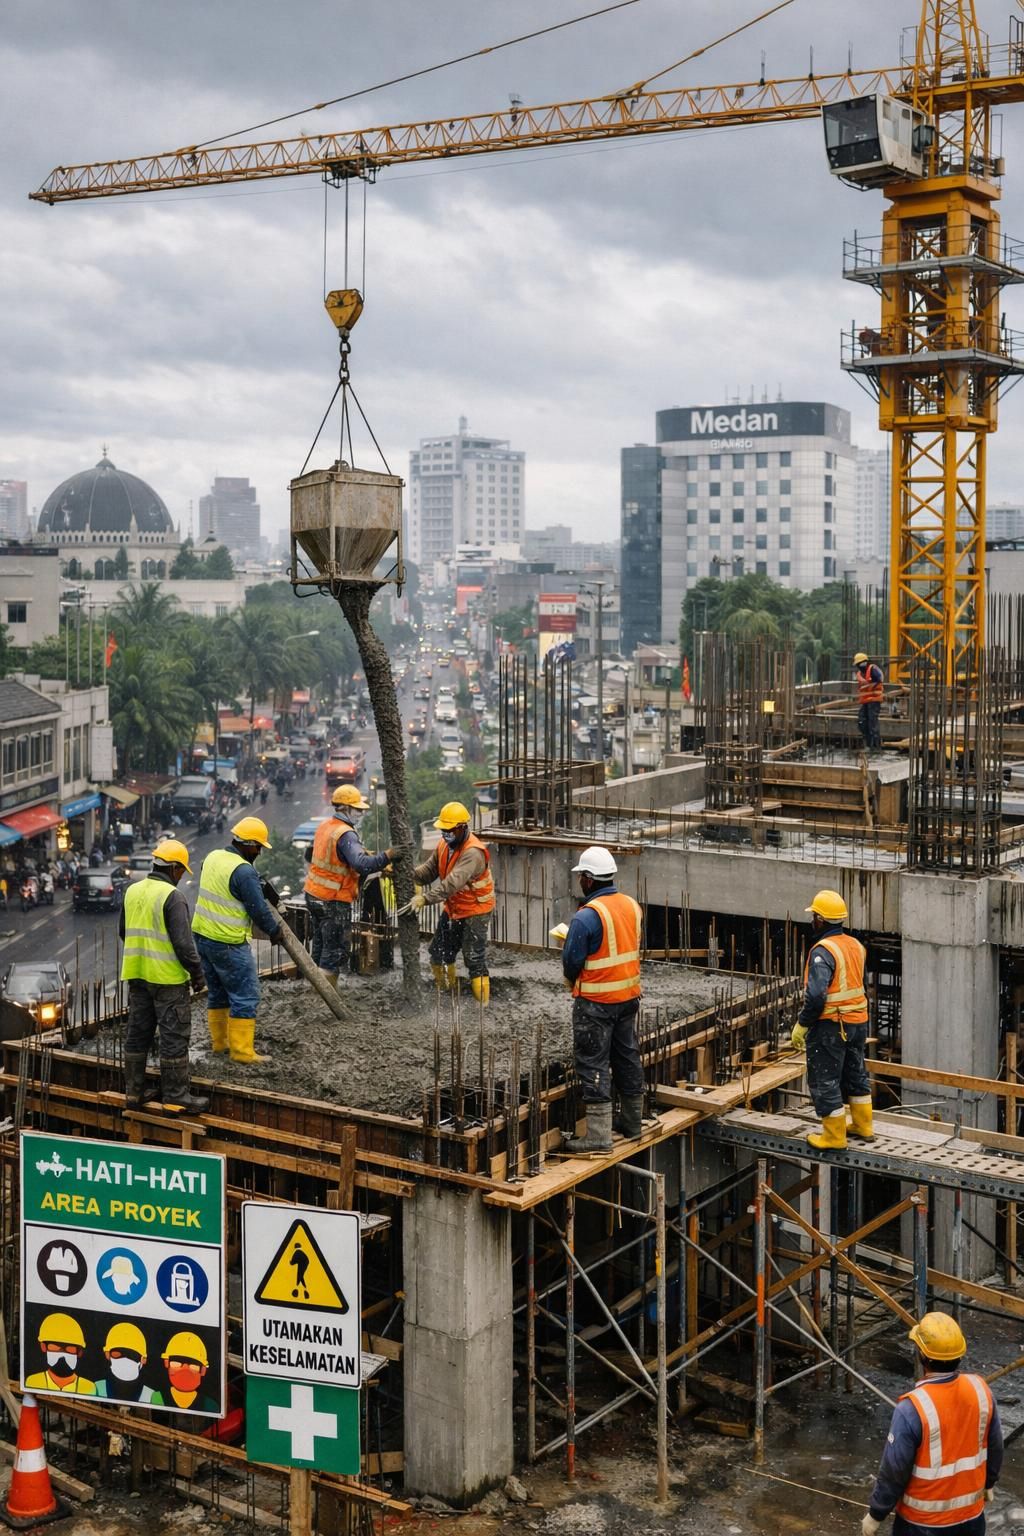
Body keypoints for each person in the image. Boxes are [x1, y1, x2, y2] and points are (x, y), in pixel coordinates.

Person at [862, 1313, 1001, 1536]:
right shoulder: (980, 1390)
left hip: (922, 1525)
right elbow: (995, 1445)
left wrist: (876, 1513)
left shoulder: (912, 1408)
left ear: (922, 1355)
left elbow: (894, 1470)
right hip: (972, 1518)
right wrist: (990, 1482)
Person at [559, 846, 645, 1153]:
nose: (580, 881)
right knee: (626, 1056)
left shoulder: (587, 917)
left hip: (596, 1002)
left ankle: (598, 1136)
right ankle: (633, 1123)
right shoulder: (631, 906)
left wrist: (571, 976)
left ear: (589, 878)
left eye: (581, 876)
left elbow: (572, 961)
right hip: (627, 998)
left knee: (592, 1061)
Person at [119, 839, 208, 1114]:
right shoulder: (173, 897)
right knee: (173, 1037)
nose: (181, 877)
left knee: (138, 1034)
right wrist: (197, 974)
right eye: (181, 871)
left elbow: (123, 931)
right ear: (174, 868)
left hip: (137, 976)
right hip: (167, 980)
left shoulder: (132, 891)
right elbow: (183, 944)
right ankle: (175, 1097)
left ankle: (133, 1093)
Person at [191, 816, 282, 1064]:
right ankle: (242, 1052)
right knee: (245, 994)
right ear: (248, 844)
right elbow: (258, 909)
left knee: (218, 993)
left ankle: (220, 1044)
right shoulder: (244, 871)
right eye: (258, 847)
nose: (259, 852)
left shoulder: (213, 857)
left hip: (203, 936)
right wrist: (274, 930)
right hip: (228, 942)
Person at [791, 889, 873, 1149]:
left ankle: (834, 1136)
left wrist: (802, 1024)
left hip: (831, 1025)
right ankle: (863, 1125)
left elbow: (816, 996)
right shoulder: (855, 945)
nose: (812, 920)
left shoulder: (823, 951)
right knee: (855, 1072)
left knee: (824, 1078)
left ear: (820, 919)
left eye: (814, 916)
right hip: (858, 1022)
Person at [303, 785, 400, 986]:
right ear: (345, 808)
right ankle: (327, 995)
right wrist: (387, 856)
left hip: (314, 895)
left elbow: (330, 857)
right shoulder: (346, 834)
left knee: (320, 946)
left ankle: (313, 989)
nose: (360, 813)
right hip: (333, 900)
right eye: (357, 809)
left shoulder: (325, 826)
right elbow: (361, 865)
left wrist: (366, 855)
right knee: (335, 950)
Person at [411, 801, 495, 1004]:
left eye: (449, 830)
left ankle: (483, 1005)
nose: (445, 834)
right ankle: (447, 993)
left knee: (474, 958)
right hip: (454, 908)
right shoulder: (444, 845)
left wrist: (425, 898)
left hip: (476, 910)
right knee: (439, 952)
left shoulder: (473, 852)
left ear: (462, 828)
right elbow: (429, 870)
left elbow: (452, 884)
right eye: (443, 830)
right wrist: (409, 874)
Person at [25, 1313, 96, 1395]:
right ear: (43, 1346)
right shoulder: (33, 1381)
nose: (62, 1354)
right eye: (55, 1346)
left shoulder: (89, 1387)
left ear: (79, 1352)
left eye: (69, 1347)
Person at [95, 1322, 164, 1404]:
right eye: (117, 1354)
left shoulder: (151, 1396)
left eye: (132, 1355)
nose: (125, 1359)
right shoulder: (96, 1388)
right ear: (107, 1354)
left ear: (143, 1360)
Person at [160, 1330, 217, 1413]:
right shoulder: (158, 1398)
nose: (185, 1369)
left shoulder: (210, 1405)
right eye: (177, 1362)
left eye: (193, 1365)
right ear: (166, 1363)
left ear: (203, 1370)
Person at [854, 650, 884, 751]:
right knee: (862, 720)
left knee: (873, 723)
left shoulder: (873, 669)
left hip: (874, 700)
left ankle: (875, 746)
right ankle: (868, 742)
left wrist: (871, 686)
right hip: (866, 701)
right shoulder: (860, 673)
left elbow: (879, 679)